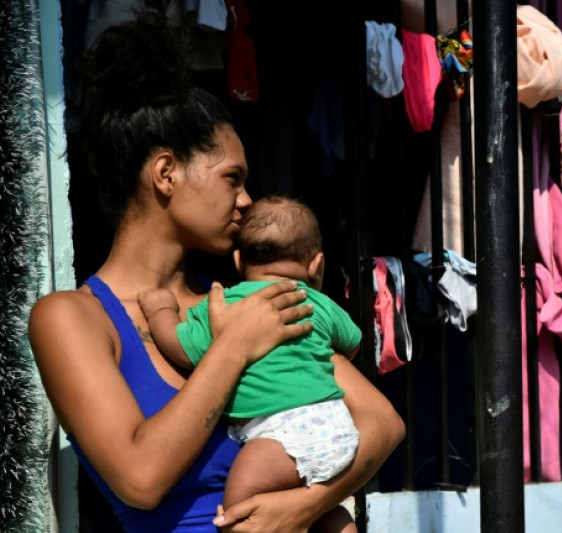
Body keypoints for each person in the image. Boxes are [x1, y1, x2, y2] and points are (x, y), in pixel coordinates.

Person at [29, 16, 404, 533]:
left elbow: (383, 422)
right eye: (233, 178)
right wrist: (234, 346)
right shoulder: (71, 318)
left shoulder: (243, 299)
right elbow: (141, 478)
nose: (247, 200)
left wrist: (303, 507)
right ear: (166, 174)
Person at [137, 194, 361, 519]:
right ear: (317, 264)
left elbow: (180, 347)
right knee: (329, 513)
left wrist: (161, 310)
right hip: (335, 424)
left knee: (241, 497)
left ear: (238, 260)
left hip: (281, 434)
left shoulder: (227, 305)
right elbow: (353, 341)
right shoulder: (320, 304)